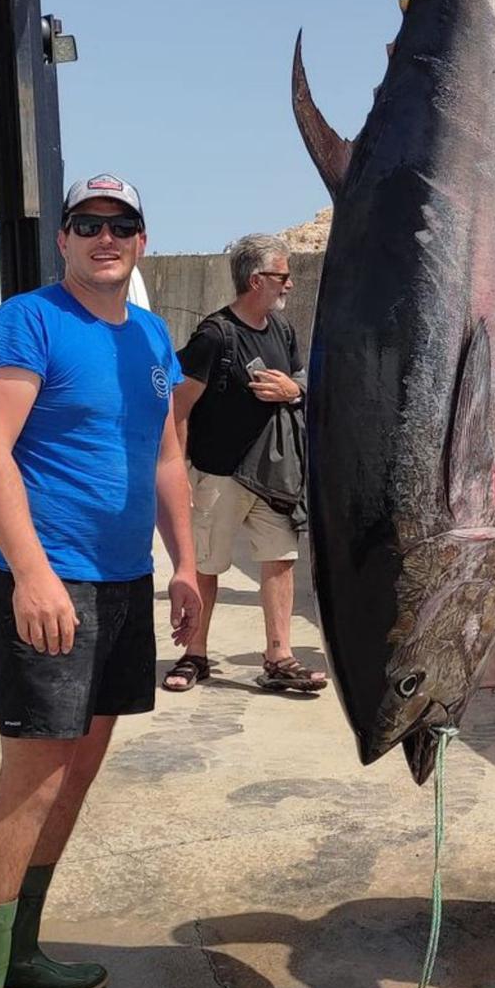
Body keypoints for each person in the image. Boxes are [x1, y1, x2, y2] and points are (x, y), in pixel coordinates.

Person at [0, 175, 200, 988]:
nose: (103, 237)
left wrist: (187, 564)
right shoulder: (27, 322)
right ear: (63, 239)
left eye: (120, 224)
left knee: (78, 771)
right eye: (86, 224)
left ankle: (18, 952)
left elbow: (166, 454)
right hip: (52, 583)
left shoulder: (153, 334)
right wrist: (35, 575)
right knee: (33, 779)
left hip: (126, 583)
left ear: (141, 239)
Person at [165, 233, 327, 695]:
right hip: (218, 473)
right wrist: (179, 472)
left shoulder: (283, 330)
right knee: (206, 567)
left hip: (273, 476)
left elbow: (300, 381)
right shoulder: (214, 336)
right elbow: (178, 408)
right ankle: (194, 654)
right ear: (256, 280)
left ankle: (279, 657)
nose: (289, 285)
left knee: (279, 563)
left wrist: (293, 392)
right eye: (283, 276)